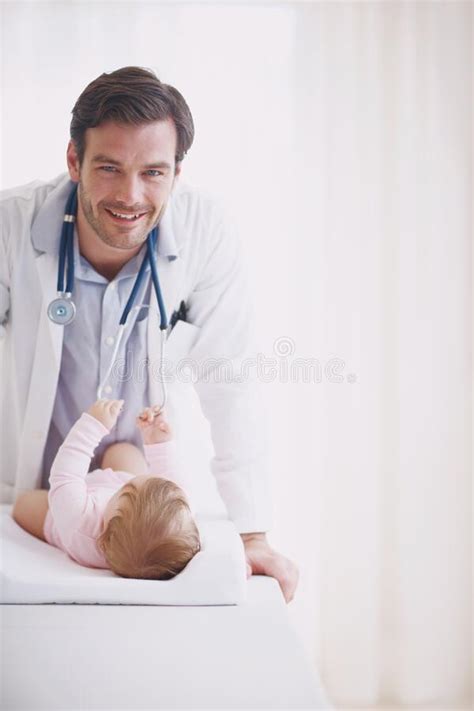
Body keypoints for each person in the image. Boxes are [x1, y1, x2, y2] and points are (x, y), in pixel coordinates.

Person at [0, 66, 298, 602]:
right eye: (109, 167)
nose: (130, 195)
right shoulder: (9, 227)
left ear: (177, 173)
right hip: (35, 492)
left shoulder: (206, 232)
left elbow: (229, 382)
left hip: (144, 504)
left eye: (153, 172)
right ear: (74, 160)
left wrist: (252, 532)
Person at [13, 399, 201, 579]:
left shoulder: (78, 521)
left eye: (126, 488)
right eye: (148, 480)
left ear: (104, 531)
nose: (127, 484)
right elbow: (173, 481)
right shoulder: (181, 513)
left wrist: (92, 426)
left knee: (23, 505)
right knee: (124, 451)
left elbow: (65, 476)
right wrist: (158, 442)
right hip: (113, 486)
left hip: (65, 511)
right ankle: (127, 474)